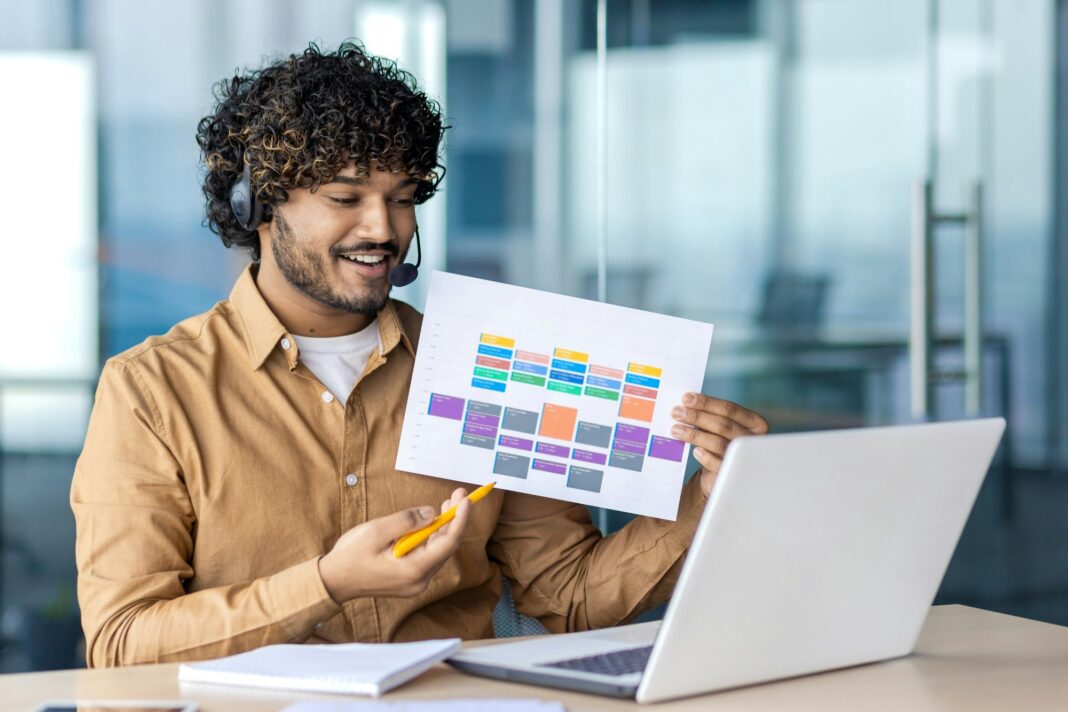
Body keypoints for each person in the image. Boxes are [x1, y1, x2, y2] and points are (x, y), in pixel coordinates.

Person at [71, 41, 769, 668]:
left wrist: (705, 497)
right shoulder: (152, 391)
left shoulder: (479, 363)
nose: (383, 228)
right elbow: (123, 641)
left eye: (402, 200)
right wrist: (328, 584)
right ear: (260, 206)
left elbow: (572, 596)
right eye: (346, 197)